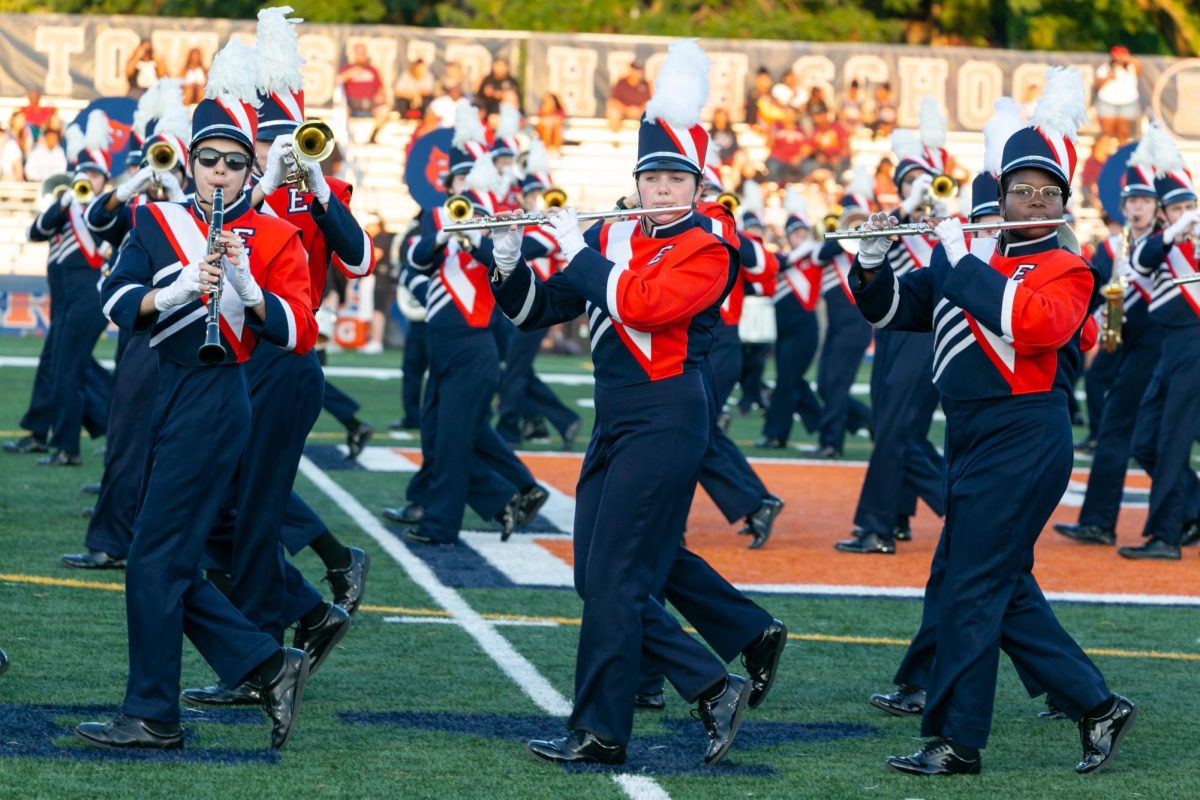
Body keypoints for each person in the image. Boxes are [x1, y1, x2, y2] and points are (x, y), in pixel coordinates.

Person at [491, 40, 786, 768]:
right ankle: (711, 684)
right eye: (650, 177)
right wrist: (505, 262)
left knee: (618, 579)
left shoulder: (709, 245)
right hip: (618, 414)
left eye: (672, 178)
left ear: (698, 183)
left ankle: (599, 731)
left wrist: (581, 252)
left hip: (667, 413)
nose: (659, 190)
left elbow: (648, 306)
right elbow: (538, 309)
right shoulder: (613, 233)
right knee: (595, 578)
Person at [853, 67, 1135, 777]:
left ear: (1062, 205)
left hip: (1025, 435)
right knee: (986, 582)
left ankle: (957, 741)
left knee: (972, 588)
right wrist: (871, 261)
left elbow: (1030, 325)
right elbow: (891, 311)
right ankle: (1096, 704)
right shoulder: (969, 260)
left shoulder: (1064, 269)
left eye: (1046, 193)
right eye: (1019, 191)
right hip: (972, 439)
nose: (1030, 201)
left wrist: (956, 254)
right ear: (1000, 195)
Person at [77, 38, 316, 751]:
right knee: (169, 562)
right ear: (190, 161)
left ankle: (154, 712)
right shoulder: (157, 222)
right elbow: (114, 302)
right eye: (208, 160)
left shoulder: (272, 235)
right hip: (163, 389)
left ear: (251, 168)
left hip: (218, 396)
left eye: (234, 163)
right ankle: (268, 664)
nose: (219, 173)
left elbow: (301, 330)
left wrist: (250, 292)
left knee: (153, 560)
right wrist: (174, 289)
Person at [385, 105, 548, 544]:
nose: (459, 187)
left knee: (456, 440)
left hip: (473, 345)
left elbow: (507, 259)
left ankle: (440, 526)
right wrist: (442, 234)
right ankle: (504, 500)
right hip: (442, 345)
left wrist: (474, 233)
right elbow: (414, 260)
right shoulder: (440, 217)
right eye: (455, 181)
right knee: (440, 437)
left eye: (465, 179)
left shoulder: (496, 227)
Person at [64, 85, 192, 570]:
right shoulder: (140, 209)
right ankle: (113, 539)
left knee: (171, 445)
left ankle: (142, 537)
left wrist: (177, 189)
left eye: (167, 162)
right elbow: (96, 220)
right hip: (139, 334)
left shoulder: (193, 208)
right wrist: (133, 185)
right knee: (127, 436)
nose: (159, 172)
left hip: (181, 337)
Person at [835, 117, 948, 554]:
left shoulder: (948, 222)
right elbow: (861, 242)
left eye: (926, 181)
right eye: (910, 182)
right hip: (890, 329)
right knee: (899, 429)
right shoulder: (893, 219)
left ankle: (877, 526)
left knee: (896, 430)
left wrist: (933, 208)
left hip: (925, 330)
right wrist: (906, 208)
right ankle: (900, 516)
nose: (919, 188)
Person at [1056, 128, 1167, 548]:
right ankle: (1101, 519)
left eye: (1144, 201)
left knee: (1136, 435)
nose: (1137, 207)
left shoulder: (1161, 243)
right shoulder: (1117, 245)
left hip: (1154, 346)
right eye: (1131, 201)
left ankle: (1103, 520)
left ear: (1157, 209)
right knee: (1128, 433)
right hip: (1123, 343)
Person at [3, 116, 113, 465]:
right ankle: (42, 432)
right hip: (64, 300)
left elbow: (102, 240)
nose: (88, 179)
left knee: (68, 370)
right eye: (84, 171)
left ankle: (67, 447)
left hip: (88, 298)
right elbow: (35, 232)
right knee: (57, 366)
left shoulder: (106, 210)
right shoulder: (65, 208)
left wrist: (84, 205)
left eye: (95, 174)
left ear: (104, 180)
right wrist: (65, 202)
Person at [1118, 126, 1200, 560]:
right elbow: (1138, 262)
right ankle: (1192, 507)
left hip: (1193, 347)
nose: (1188, 213)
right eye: (1179, 208)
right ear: (1165, 214)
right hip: (1170, 349)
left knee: (1172, 442)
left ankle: (1166, 536)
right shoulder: (1159, 243)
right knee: (1144, 442)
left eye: (1191, 205)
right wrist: (1172, 232)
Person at [337, 43, 389, 143]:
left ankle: (373, 135)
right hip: (352, 103)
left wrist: (380, 95)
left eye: (363, 53)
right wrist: (354, 70)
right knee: (342, 111)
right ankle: (348, 137)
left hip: (370, 103)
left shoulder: (373, 70)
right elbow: (338, 80)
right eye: (358, 53)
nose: (361, 55)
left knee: (385, 109)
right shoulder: (347, 68)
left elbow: (381, 87)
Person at [1095, 46, 1142, 143]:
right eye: (1117, 55)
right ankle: (1105, 156)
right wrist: (1108, 77)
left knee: (1124, 133)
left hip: (1127, 102)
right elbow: (1097, 85)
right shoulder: (1105, 68)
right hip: (1107, 102)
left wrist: (1129, 58)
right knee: (1106, 133)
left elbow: (1140, 68)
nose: (1119, 58)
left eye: (1122, 55)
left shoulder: (1131, 67)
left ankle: (1121, 156)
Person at [606, 60, 651, 136]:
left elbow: (649, 102)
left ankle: (647, 139)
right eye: (635, 70)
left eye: (639, 71)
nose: (637, 73)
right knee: (613, 113)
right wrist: (627, 110)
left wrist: (639, 111)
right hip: (623, 112)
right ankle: (616, 138)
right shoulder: (621, 83)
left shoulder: (646, 84)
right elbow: (613, 101)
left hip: (640, 113)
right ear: (630, 70)